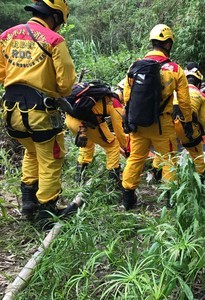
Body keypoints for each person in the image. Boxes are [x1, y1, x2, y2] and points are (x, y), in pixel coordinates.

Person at [0, 0, 76, 224]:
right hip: (40, 113)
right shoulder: (54, 40)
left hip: (12, 111)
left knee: (31, 152)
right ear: (55, 16)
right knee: (52, 156)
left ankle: (27, 201)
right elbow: (66, 84)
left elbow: (2, 73)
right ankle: (47, 211)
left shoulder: (7, 36)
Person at [121, 24, 193, 210]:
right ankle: (170, 202)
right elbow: (184, 102)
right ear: (168, 44)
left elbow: (127, 97)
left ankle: (128, 198)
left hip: (139, 123)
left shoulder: (136, 65)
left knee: (136, 158)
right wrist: (188, 123)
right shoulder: (175, 69)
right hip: (162, 125)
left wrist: (128, 119)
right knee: (169, 159)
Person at [65, 91, 128, 184]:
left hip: (70, 120)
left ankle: (79, 179)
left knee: (87, 144)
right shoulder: (115, 103)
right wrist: (126, 147)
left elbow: (100, 121)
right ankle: (113, 181)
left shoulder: (100, 95)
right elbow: (119, 131)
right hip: (84, 123)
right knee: (112, 146)